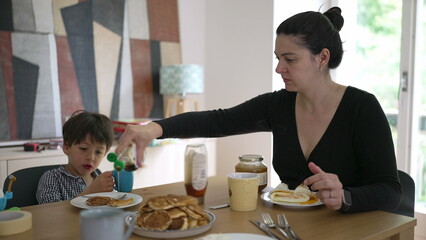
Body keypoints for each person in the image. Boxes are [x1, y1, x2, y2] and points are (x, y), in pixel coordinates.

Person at [115, 7, 402, 213]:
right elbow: (218, 121)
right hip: (291, 229)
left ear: (322, 58)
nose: (279, 68)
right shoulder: (278, 105)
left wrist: (347, 197)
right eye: (278, 58)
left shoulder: (362, 109)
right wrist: (156, 127)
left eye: (290, 59)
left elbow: (391, 191)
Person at [36, 110, 115, 204]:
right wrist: (91, 192)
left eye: (98, 152)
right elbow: (51, 211)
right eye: (83, 148)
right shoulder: (52, 178)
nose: (91, 157)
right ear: (66, 147)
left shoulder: (98, 176)